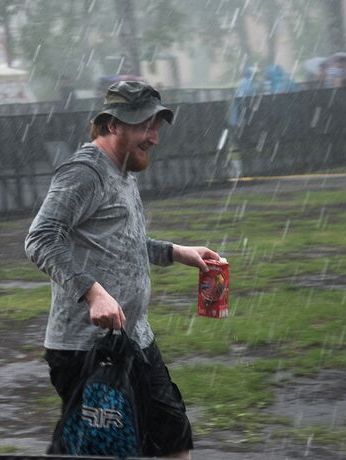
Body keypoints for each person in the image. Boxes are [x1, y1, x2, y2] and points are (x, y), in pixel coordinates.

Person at [25, 81, 220, 459]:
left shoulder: (123, 170)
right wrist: (93, 293)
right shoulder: (85, 172)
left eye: (157, 126)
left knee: (172, 439)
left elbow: (117, 243)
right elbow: (41, 238)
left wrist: (175, 252)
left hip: (134, 338)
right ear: (113, 125)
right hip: (87, 348)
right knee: (102, 449)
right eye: (145, 126)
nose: (154, 138)